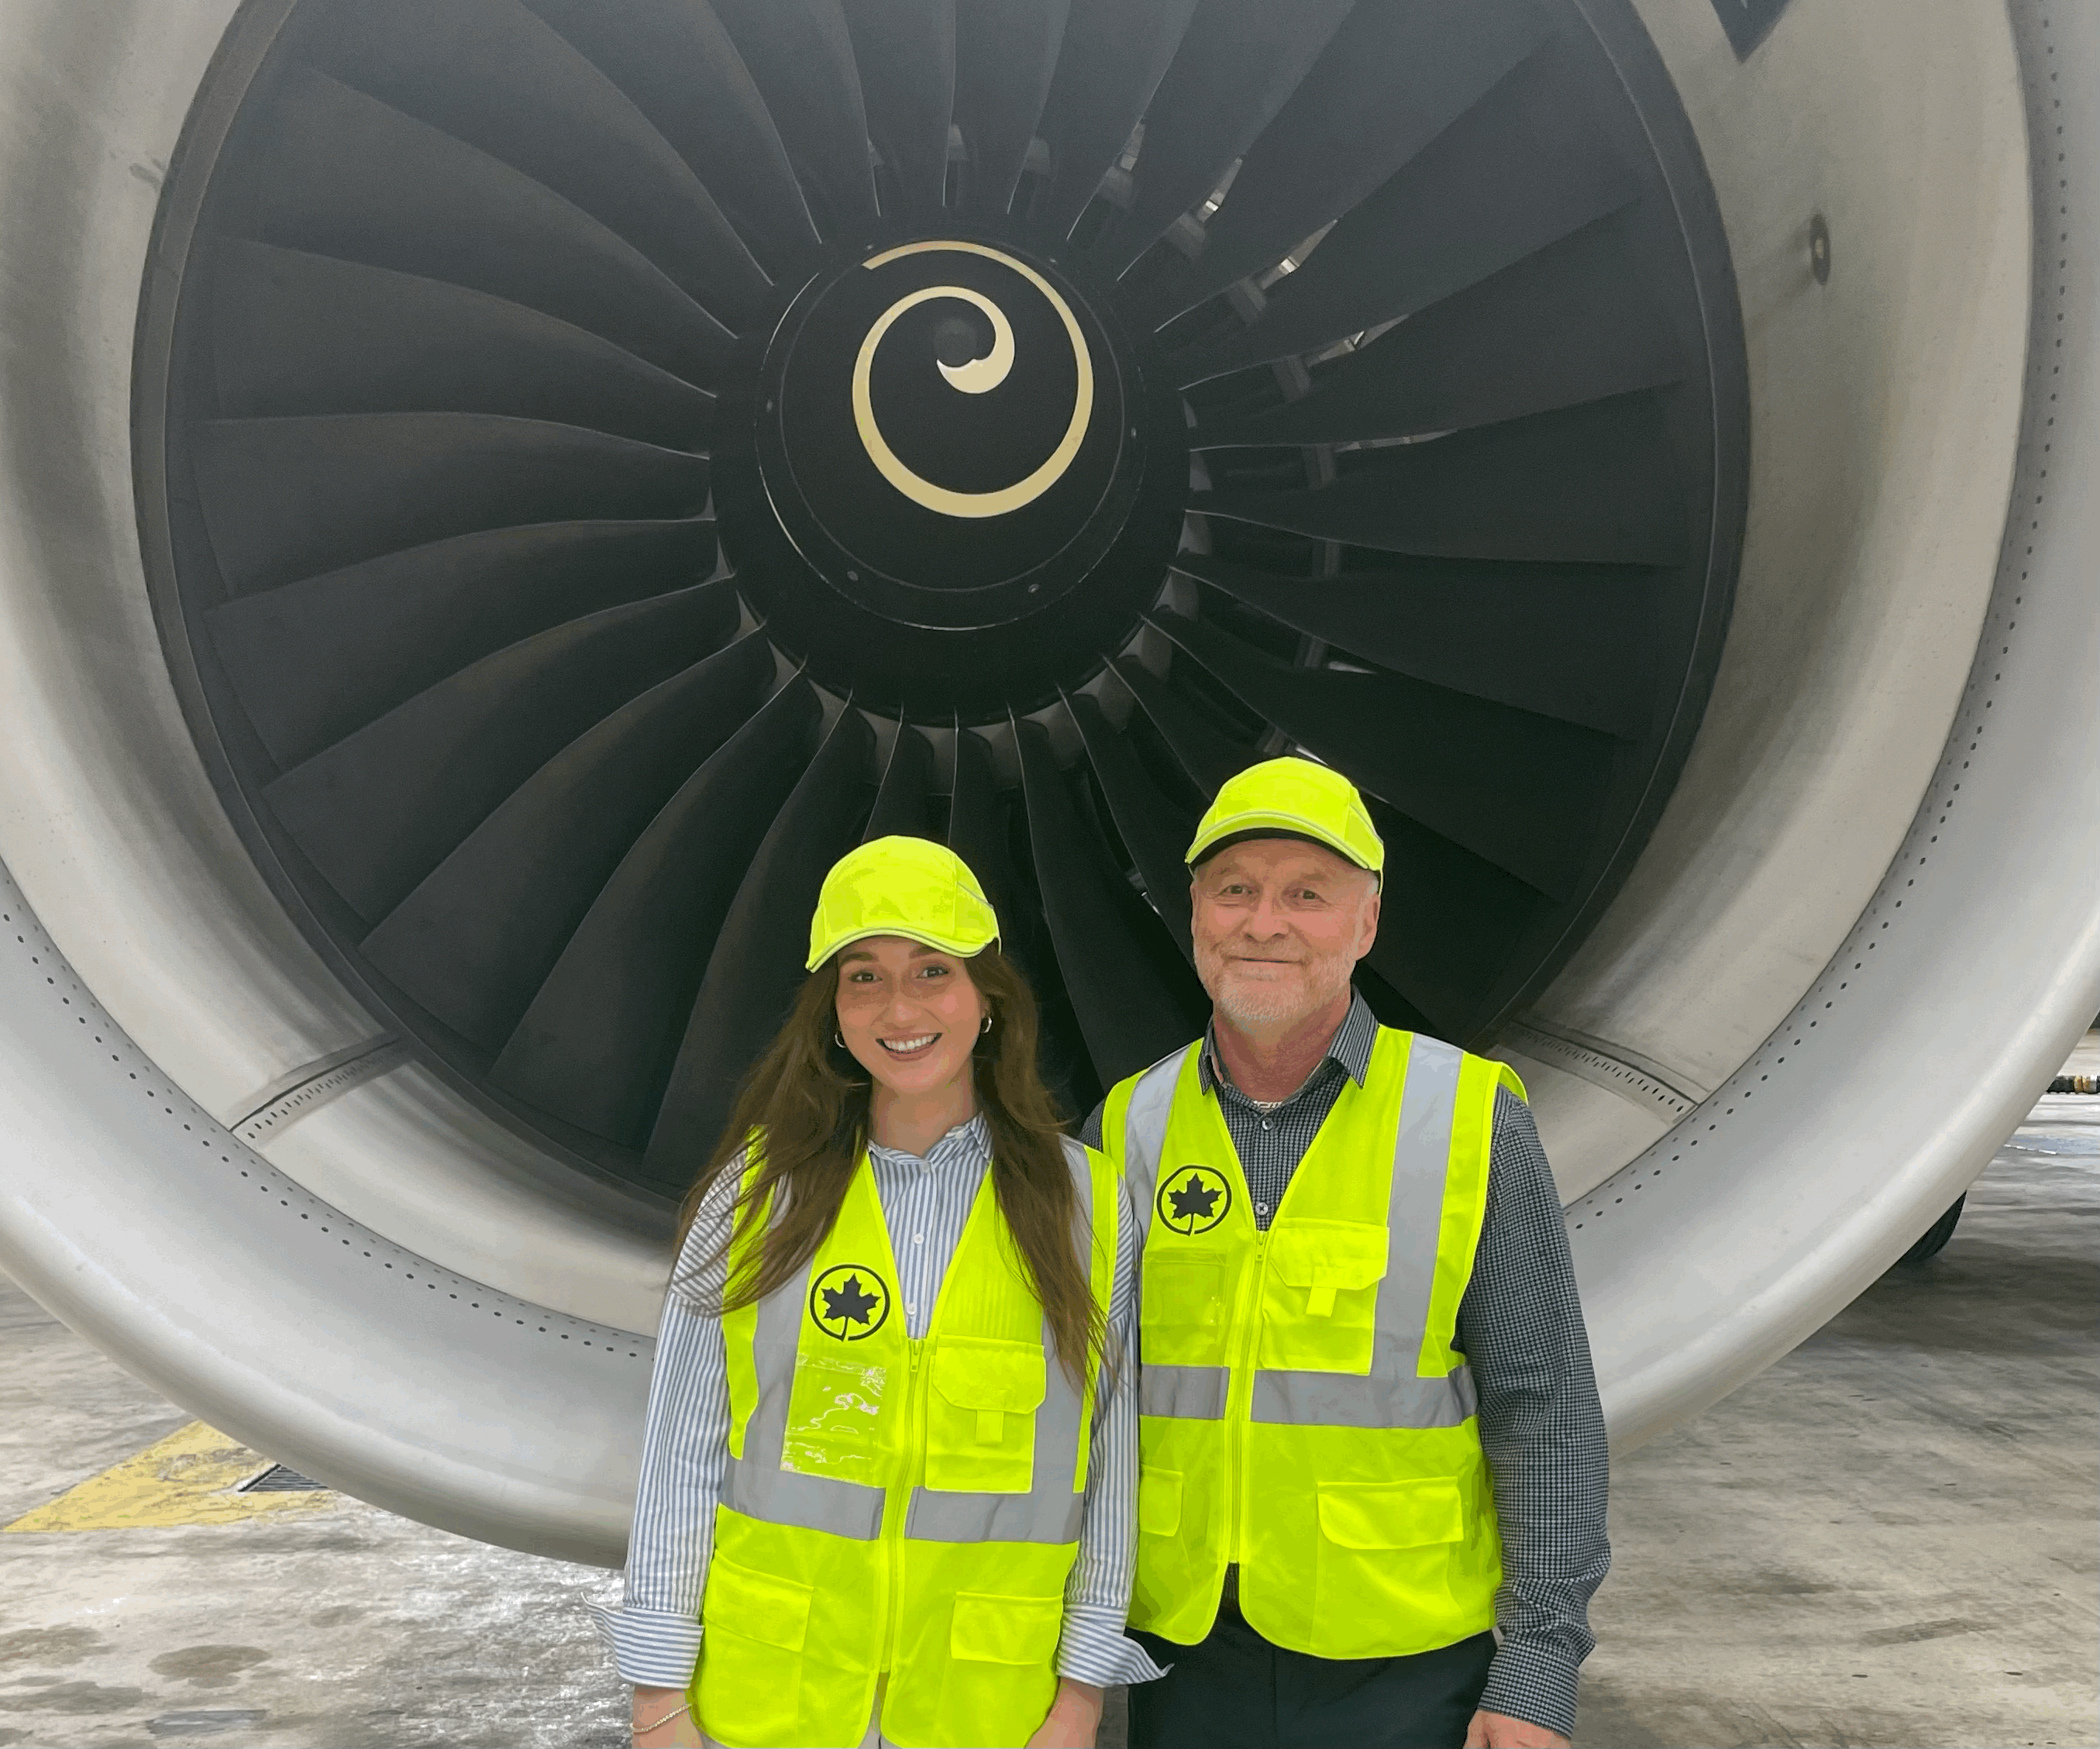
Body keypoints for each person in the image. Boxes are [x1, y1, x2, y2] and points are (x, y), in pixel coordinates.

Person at [1083, 758, 1610, 1749]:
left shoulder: (1468, 1116)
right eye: (1233, 889)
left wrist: (1539, 1665)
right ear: (1192, 912)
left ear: (1365, 926)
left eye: (1306, 895)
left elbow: (1543, 1400)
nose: (1263, 922)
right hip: (1186, 1653)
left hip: (1401, 1657)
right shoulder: (1128, 1125)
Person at [596, 835, 1163, 1748]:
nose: (899, 1007)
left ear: (988, 1001)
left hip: (984, 1706)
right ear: (831, 1012)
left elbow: (1108, 1463)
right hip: (776, 1701)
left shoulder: (1086, 1205)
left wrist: (1081, 1694)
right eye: (862, 977)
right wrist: (659, 1698)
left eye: (931, 970)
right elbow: (681, 1452)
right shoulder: (754, 1197)